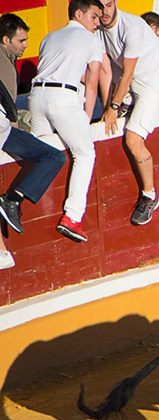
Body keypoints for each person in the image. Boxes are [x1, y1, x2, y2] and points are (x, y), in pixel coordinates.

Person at [28, 0, 105, 243]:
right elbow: (92, 81)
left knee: (41, 155)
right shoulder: (91, 40)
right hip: (62, 98)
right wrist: (86, 116)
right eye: (94, 17)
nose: (97, 23)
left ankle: (19, 203)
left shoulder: (49, 37)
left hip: (36, 96)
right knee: (85, 153)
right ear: (79, 14)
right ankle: (72, 217)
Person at [98, 0, 159, 226]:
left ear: (116, 3)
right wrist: (107, 107)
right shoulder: (98, 30)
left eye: (108, 5)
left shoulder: (130, 27)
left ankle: (150, 195)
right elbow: (105, 70)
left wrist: (113, 107)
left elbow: (128, 72)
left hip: (152, 81)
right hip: (128, 81)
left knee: (133, 139)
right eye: (100, 6)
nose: (105, 12)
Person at [0, 12, 67, 269]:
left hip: (5, 128)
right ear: (6, 39)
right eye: (21, 40)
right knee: (53, 156)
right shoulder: (1, 57)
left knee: (53, 155)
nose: (25, 45)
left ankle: (12, 200)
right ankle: (11, 201)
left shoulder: (7, 59)